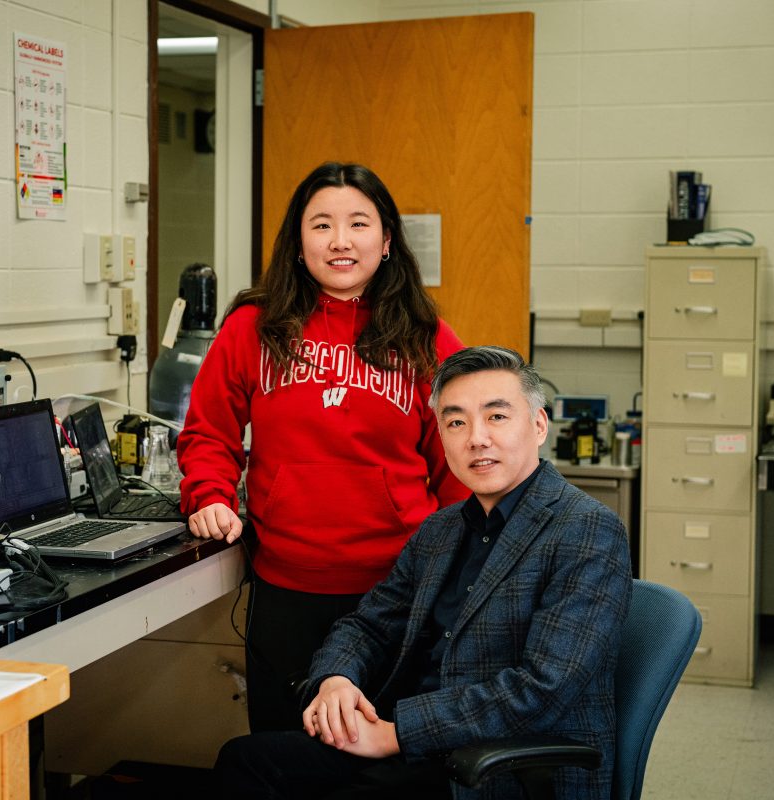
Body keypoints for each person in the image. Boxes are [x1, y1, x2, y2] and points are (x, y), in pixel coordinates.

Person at [215, 346, 633, 799]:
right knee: (246, 760)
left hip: (496, 764)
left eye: (496, 417)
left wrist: (396, 735)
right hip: (412, 745)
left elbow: (542, 690)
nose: (476, 438)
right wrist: (336, 679)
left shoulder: (586, 529)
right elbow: (370, 624)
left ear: (537, 425)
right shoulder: (442, 528)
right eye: (456, 422)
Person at [177, 162, 468, 732]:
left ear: (386, 241)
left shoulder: (425, 336)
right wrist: (208, 494)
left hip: (397, 592)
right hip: (287, 589)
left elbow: (459, 463)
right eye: (322, 225)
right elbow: (209, 432)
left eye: (359, 223)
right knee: (286, 757)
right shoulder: (252, 328)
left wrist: (455, 567)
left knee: (379, 766)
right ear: (298, 240)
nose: (340, 241)